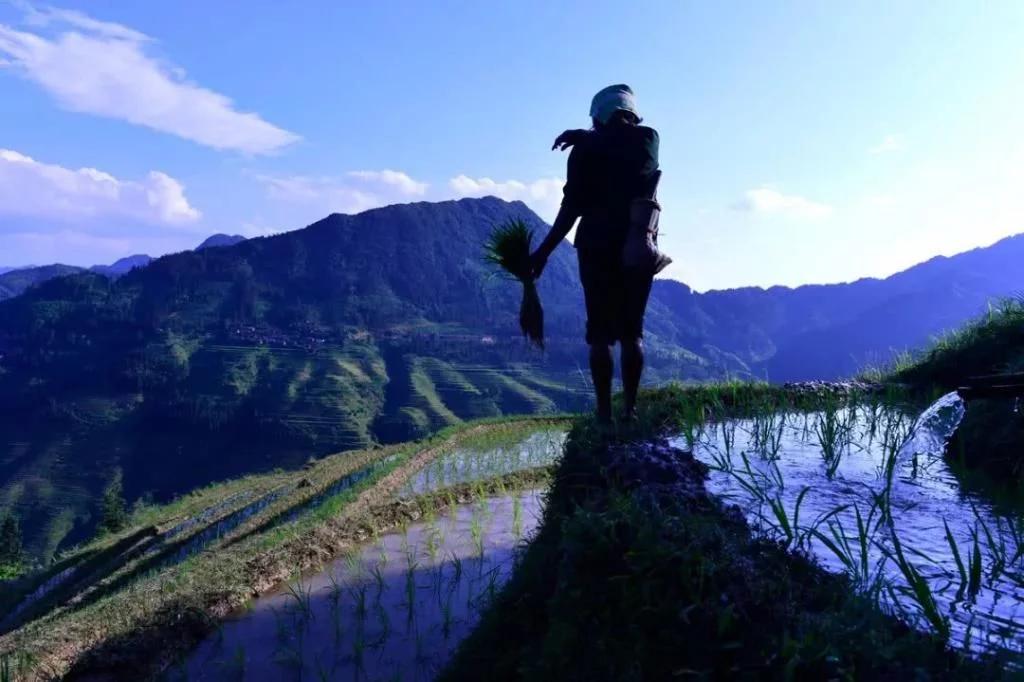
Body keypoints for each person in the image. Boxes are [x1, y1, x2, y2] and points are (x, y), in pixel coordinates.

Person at [529, 84, 660, 425]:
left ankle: (604, 413)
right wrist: (586, 137)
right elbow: (627, 148)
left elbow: (571, 208)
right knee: (633, 333)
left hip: (596, 246)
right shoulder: (647, 140)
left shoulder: (586, 148)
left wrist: (543, 252)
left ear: (598, 117)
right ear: (632, 113)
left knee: (600, 335)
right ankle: (629, 411)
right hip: (637, 247)